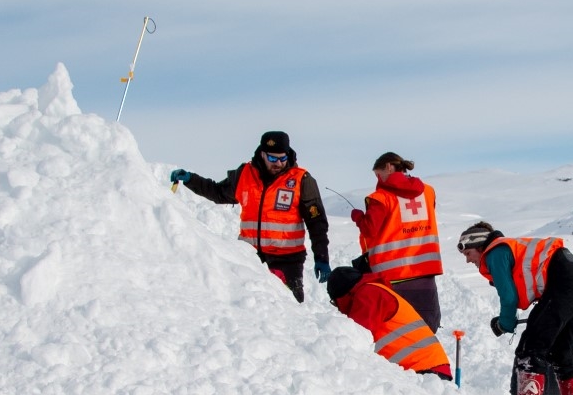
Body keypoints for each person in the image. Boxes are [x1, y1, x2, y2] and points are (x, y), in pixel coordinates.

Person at [457, 221, 573, 395]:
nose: (468, 260)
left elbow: (508, 297)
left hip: (563, 282)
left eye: (468, 254)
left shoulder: (495, 253)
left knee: (530, 349)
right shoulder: (508, 248)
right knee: (561, 349)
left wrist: (504, 324)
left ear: (478, 246)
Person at [170, 131, 330, 303]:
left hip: (287, 261)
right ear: (262, 154)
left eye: (282, 158)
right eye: (273, 158)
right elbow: (217, 192)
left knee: (288, 315)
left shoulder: (301, 180)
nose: (278, 163)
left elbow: (317, 222)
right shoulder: (244, 175)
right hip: (249, 260)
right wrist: (190, 179)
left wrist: (321, 257)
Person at [349, 152, 443, 330]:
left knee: (397, 329)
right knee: (426, 327)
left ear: (389, 167)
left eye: (378, 174)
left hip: (391, 276)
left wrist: (358, 217)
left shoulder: (381, 198)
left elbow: (369, 229)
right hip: (424, 273)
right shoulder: (428, 192)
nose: (378, 179)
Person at [326, 266, 453, 381]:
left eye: (335, 303)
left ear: (341, 296)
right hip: (425, 368)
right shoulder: (374, 290)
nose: (337, 308)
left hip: (425, 369)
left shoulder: (368, 294)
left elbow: (354, 337)